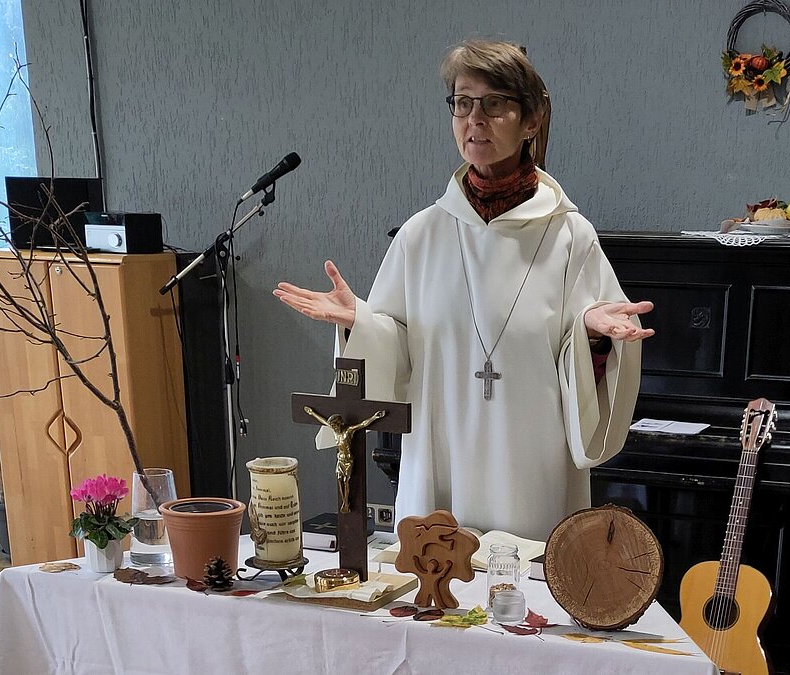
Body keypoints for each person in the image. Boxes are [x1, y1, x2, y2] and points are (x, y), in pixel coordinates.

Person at [274, 39, 654, 541]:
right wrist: (360, 323)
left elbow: (585, 368)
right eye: (463, 102)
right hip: (441, 451)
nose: (475, 119)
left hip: (530, 462)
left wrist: (591, 335)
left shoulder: (568, 237)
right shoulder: (422, 235)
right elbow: (400, 357)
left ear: (531, 121)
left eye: (495, 104)